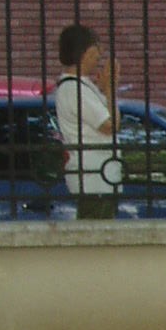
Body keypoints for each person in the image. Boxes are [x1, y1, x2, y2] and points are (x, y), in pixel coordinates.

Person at [54, 23, 121, 219]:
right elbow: (110, 125)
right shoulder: (74, 89)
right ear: (86, 53)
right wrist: (110, 89)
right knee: (98, 230)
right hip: (94, 179)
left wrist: (104, 90)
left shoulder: (82, 86)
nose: (98, 58)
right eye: (96, 53)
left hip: (101, 177)